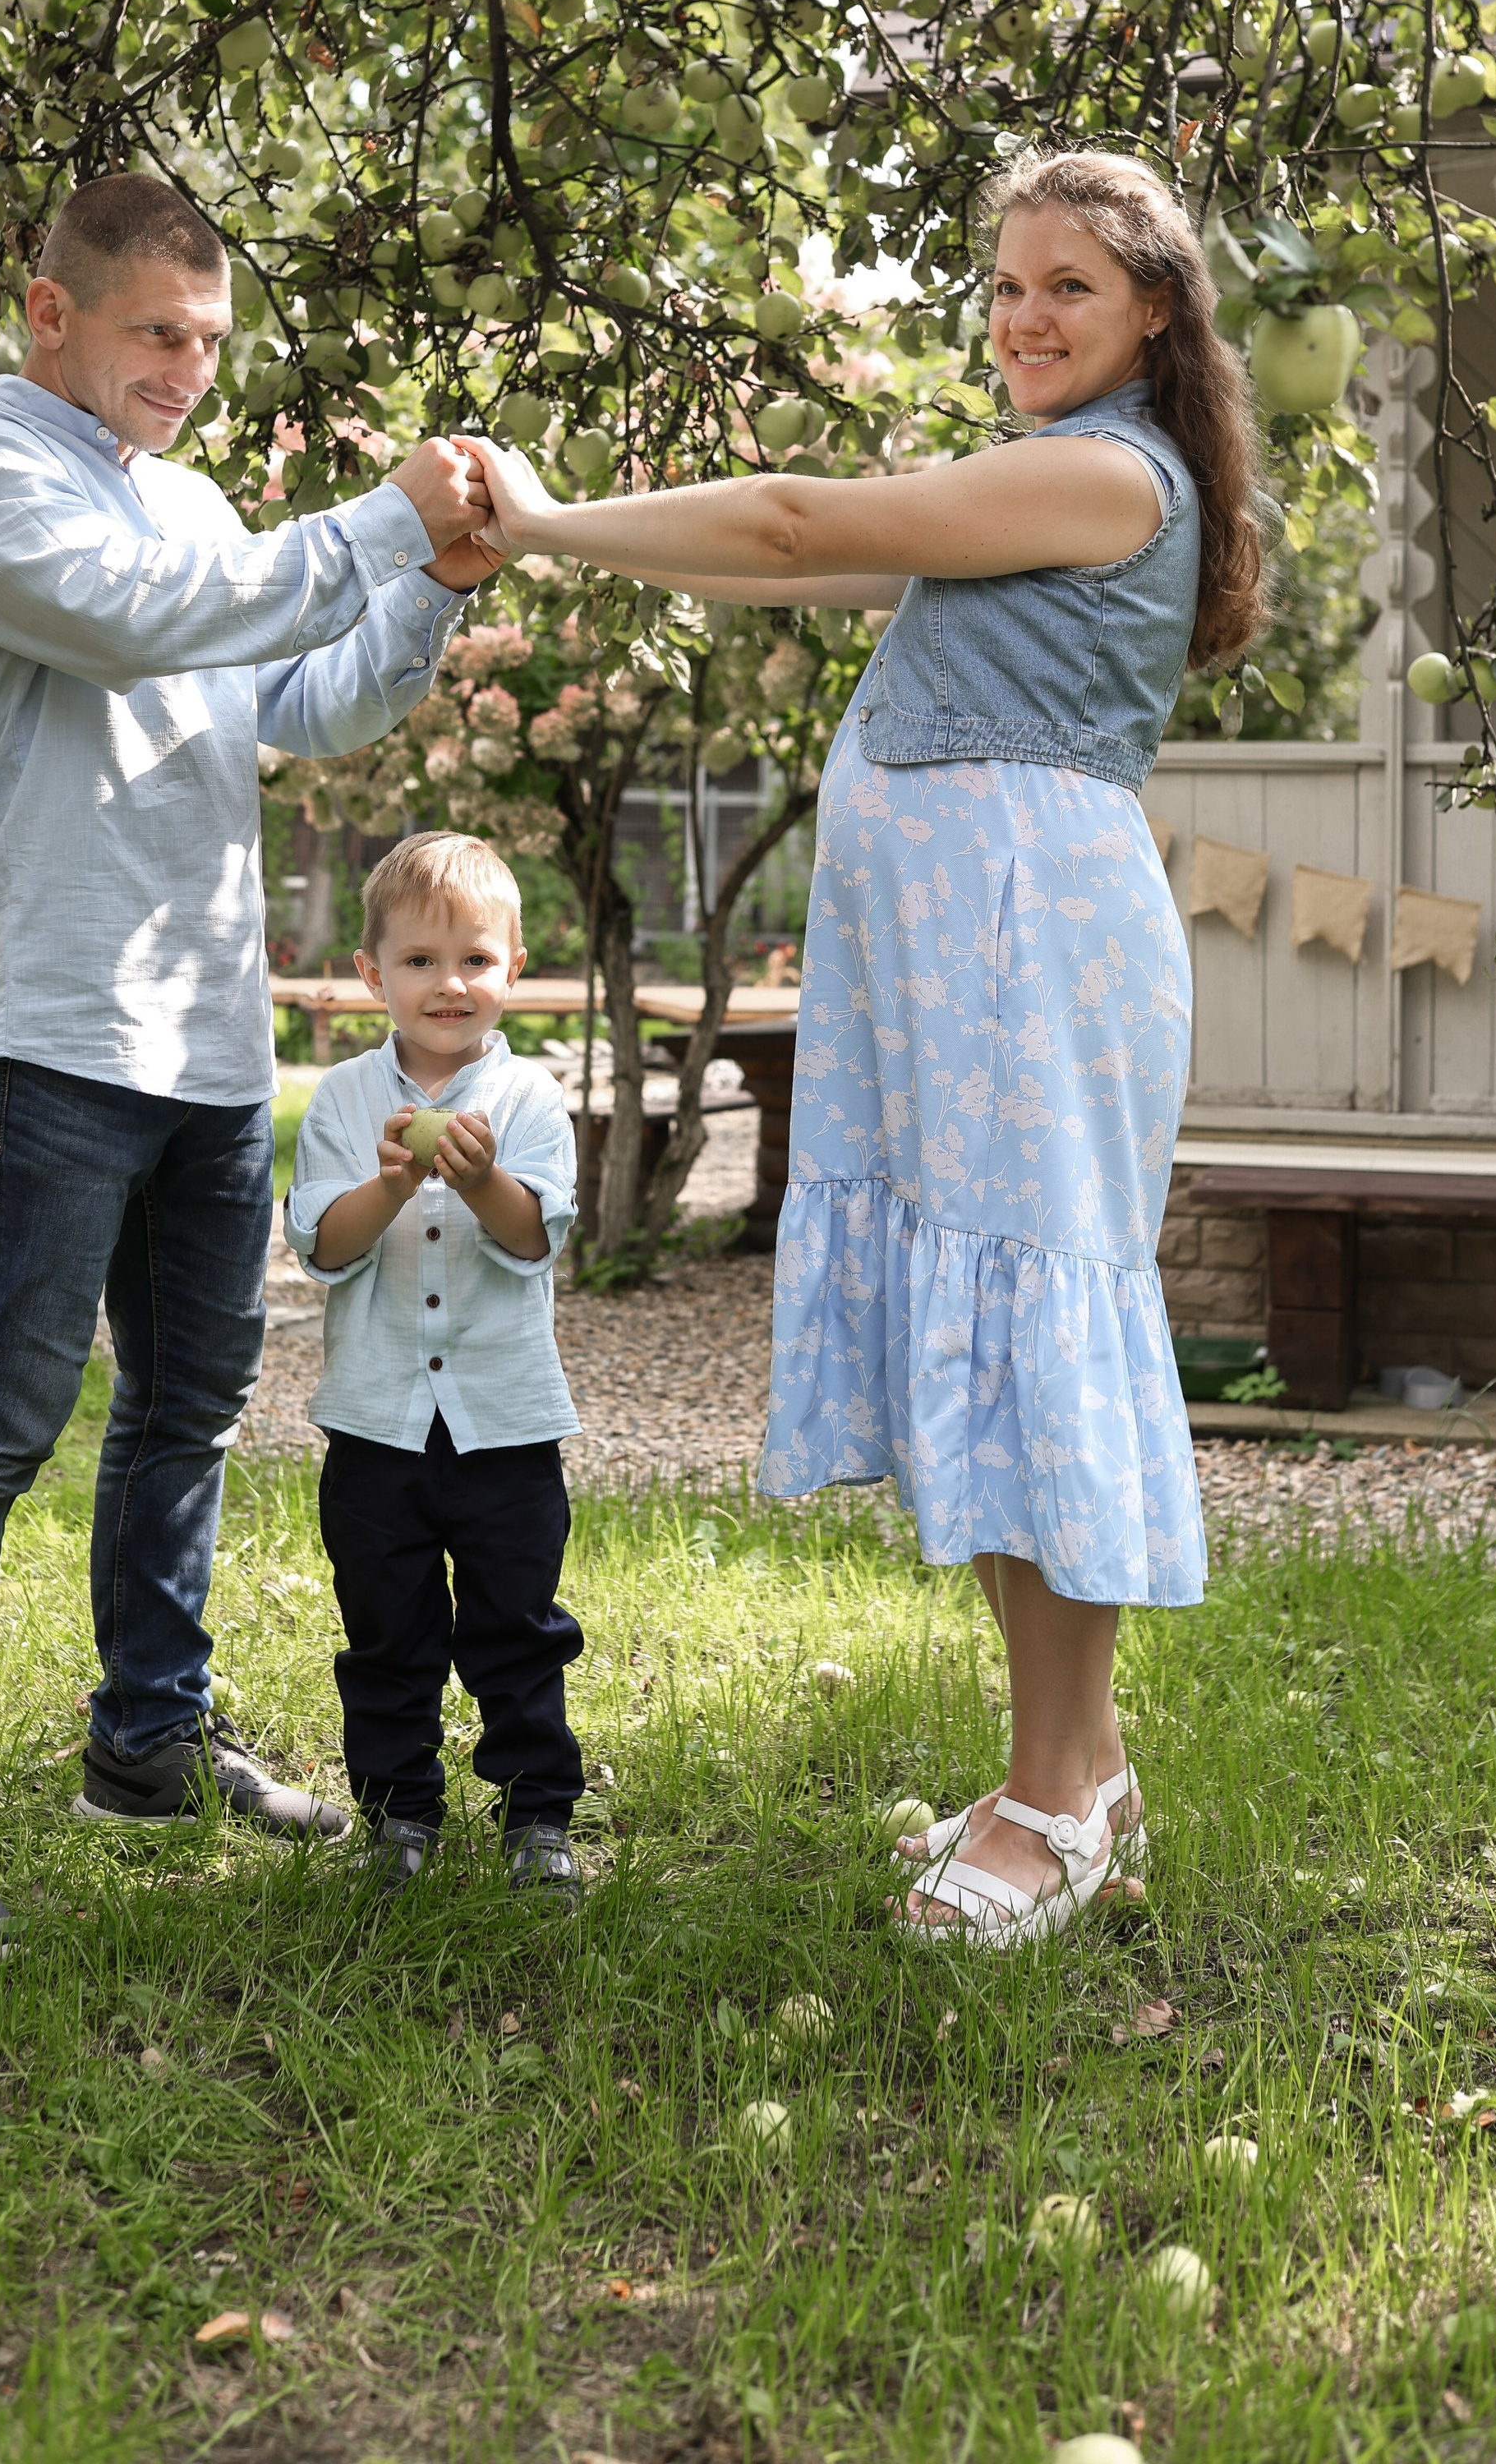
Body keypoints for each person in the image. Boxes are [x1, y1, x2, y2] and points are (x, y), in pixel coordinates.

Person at [463, 148, 1269, 1949]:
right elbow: (787, 565)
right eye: (1000, 286)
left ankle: (1061, 1795)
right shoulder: (1039, 480)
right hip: (956, 961)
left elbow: (788, 523)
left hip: (1025, 959)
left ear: (1150, 309)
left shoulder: (1094, 475)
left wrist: (539, 520)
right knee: (994, 1340)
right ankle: (1070, 1769)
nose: (1019, 317)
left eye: (1063, 284)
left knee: (1030, 1324)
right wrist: (555, 539)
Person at [0, 171, 501, 1959]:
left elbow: (289, 701)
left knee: (189, 1412)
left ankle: (145, 1740)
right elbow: (142, 620)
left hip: (206, 1035)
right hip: (52, 1028)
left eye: (209, 342)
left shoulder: (192, 503)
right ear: (50, 315)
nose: (187, 371)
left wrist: (427, 592)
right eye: (156, 333)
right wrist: (375, 517)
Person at [282, 830, 584, 1901]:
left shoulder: (534, 1101)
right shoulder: (342, 1100)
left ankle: (537, 1813)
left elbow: (534, 1237)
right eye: (419, 961)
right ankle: (399, 1812)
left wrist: (485, 1176)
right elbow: (322, 1242)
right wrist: (397, 1186)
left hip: (505, 1425)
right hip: (375, 1426)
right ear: (373, 975)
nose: (448, 983)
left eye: (475, 960)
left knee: (518, 1625)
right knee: (387, 1630)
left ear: (513, 971)